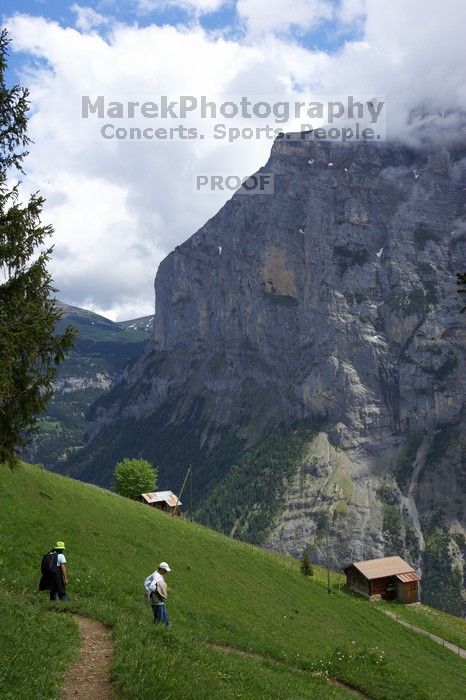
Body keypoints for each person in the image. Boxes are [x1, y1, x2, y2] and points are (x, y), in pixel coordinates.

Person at [144, 562, 171, 626]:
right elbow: (151, 587)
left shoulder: (158, 574)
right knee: (159, 616)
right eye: (165, 570)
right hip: (156, 598)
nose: (166, 572)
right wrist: (159, 592)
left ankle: (166, 627)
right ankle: (156, 628)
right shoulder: (156, 576)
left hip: (159, 598)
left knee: (164, 615)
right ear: (161, 569)